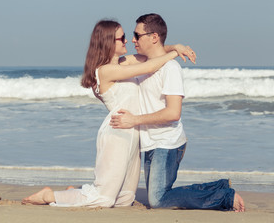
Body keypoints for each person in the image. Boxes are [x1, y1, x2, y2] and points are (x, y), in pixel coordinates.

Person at [21, 20, 195, 207]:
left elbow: (152, 53)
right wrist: (176, 52)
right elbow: (150, 66)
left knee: (125, 199)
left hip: (134, 134)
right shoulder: (105, 71)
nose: (127, 41)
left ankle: (73, 193)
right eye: (122, 38)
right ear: (108, 42)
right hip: (118, 132)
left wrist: (173, 46)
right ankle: (50, 196)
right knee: (103, 199)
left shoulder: (123, 63)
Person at [110, 13, 245, 212]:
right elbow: (116, 64)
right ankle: (220, 185)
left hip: (167, 142)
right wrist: (174, 47)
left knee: (158, 200)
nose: (132, 40)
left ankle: (224, 197)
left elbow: (173, 113)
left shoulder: (170, 69)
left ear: (154, 37)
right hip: (150, 143)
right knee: (161, 195)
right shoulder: (142, 63)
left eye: (137, 35)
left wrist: (134, 120)